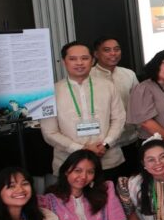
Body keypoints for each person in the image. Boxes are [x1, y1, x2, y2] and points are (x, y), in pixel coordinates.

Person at [42, 41, 127, 179]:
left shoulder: (108, 86)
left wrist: (105, 144)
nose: (79, 63)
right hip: (69, 164)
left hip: (108, 161)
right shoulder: (50, 93)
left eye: (84, 58)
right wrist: (81, 149)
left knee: (110, 199)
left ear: (92, 60)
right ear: (64, 61)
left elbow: (119, 119)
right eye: (73, 59)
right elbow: (49, 132)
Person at [91, 37, 138, 173]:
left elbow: (137, 106)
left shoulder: (129, 74)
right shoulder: (88, 76)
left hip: (129, 138)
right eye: (107, 50)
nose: (113, 53)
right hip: (103, 144)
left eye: (116, 49)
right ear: (96, 54)